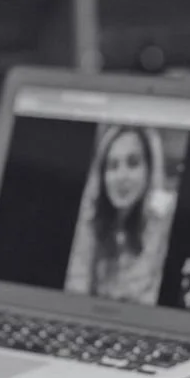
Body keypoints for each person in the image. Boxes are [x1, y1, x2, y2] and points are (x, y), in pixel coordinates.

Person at [64, 126, 175, 305]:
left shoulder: (162, 227)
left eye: (133, 163)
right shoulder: (89, 223)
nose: (121, 177)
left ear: (149, 169)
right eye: (112, 166)